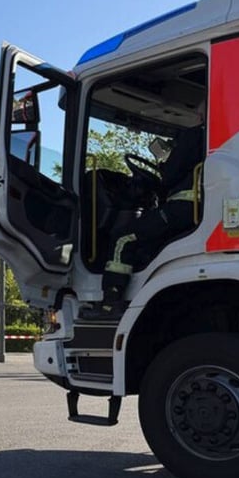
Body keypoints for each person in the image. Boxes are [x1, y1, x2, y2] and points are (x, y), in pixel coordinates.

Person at [95, 100, 206, 317]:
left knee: (122, 238)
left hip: (182, 207)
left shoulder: (195, 136)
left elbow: (170, 175)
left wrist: (164, 168)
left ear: (201, 116)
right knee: (147, 241)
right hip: (196, 209)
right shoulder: (217, 139)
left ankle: (111, 302)